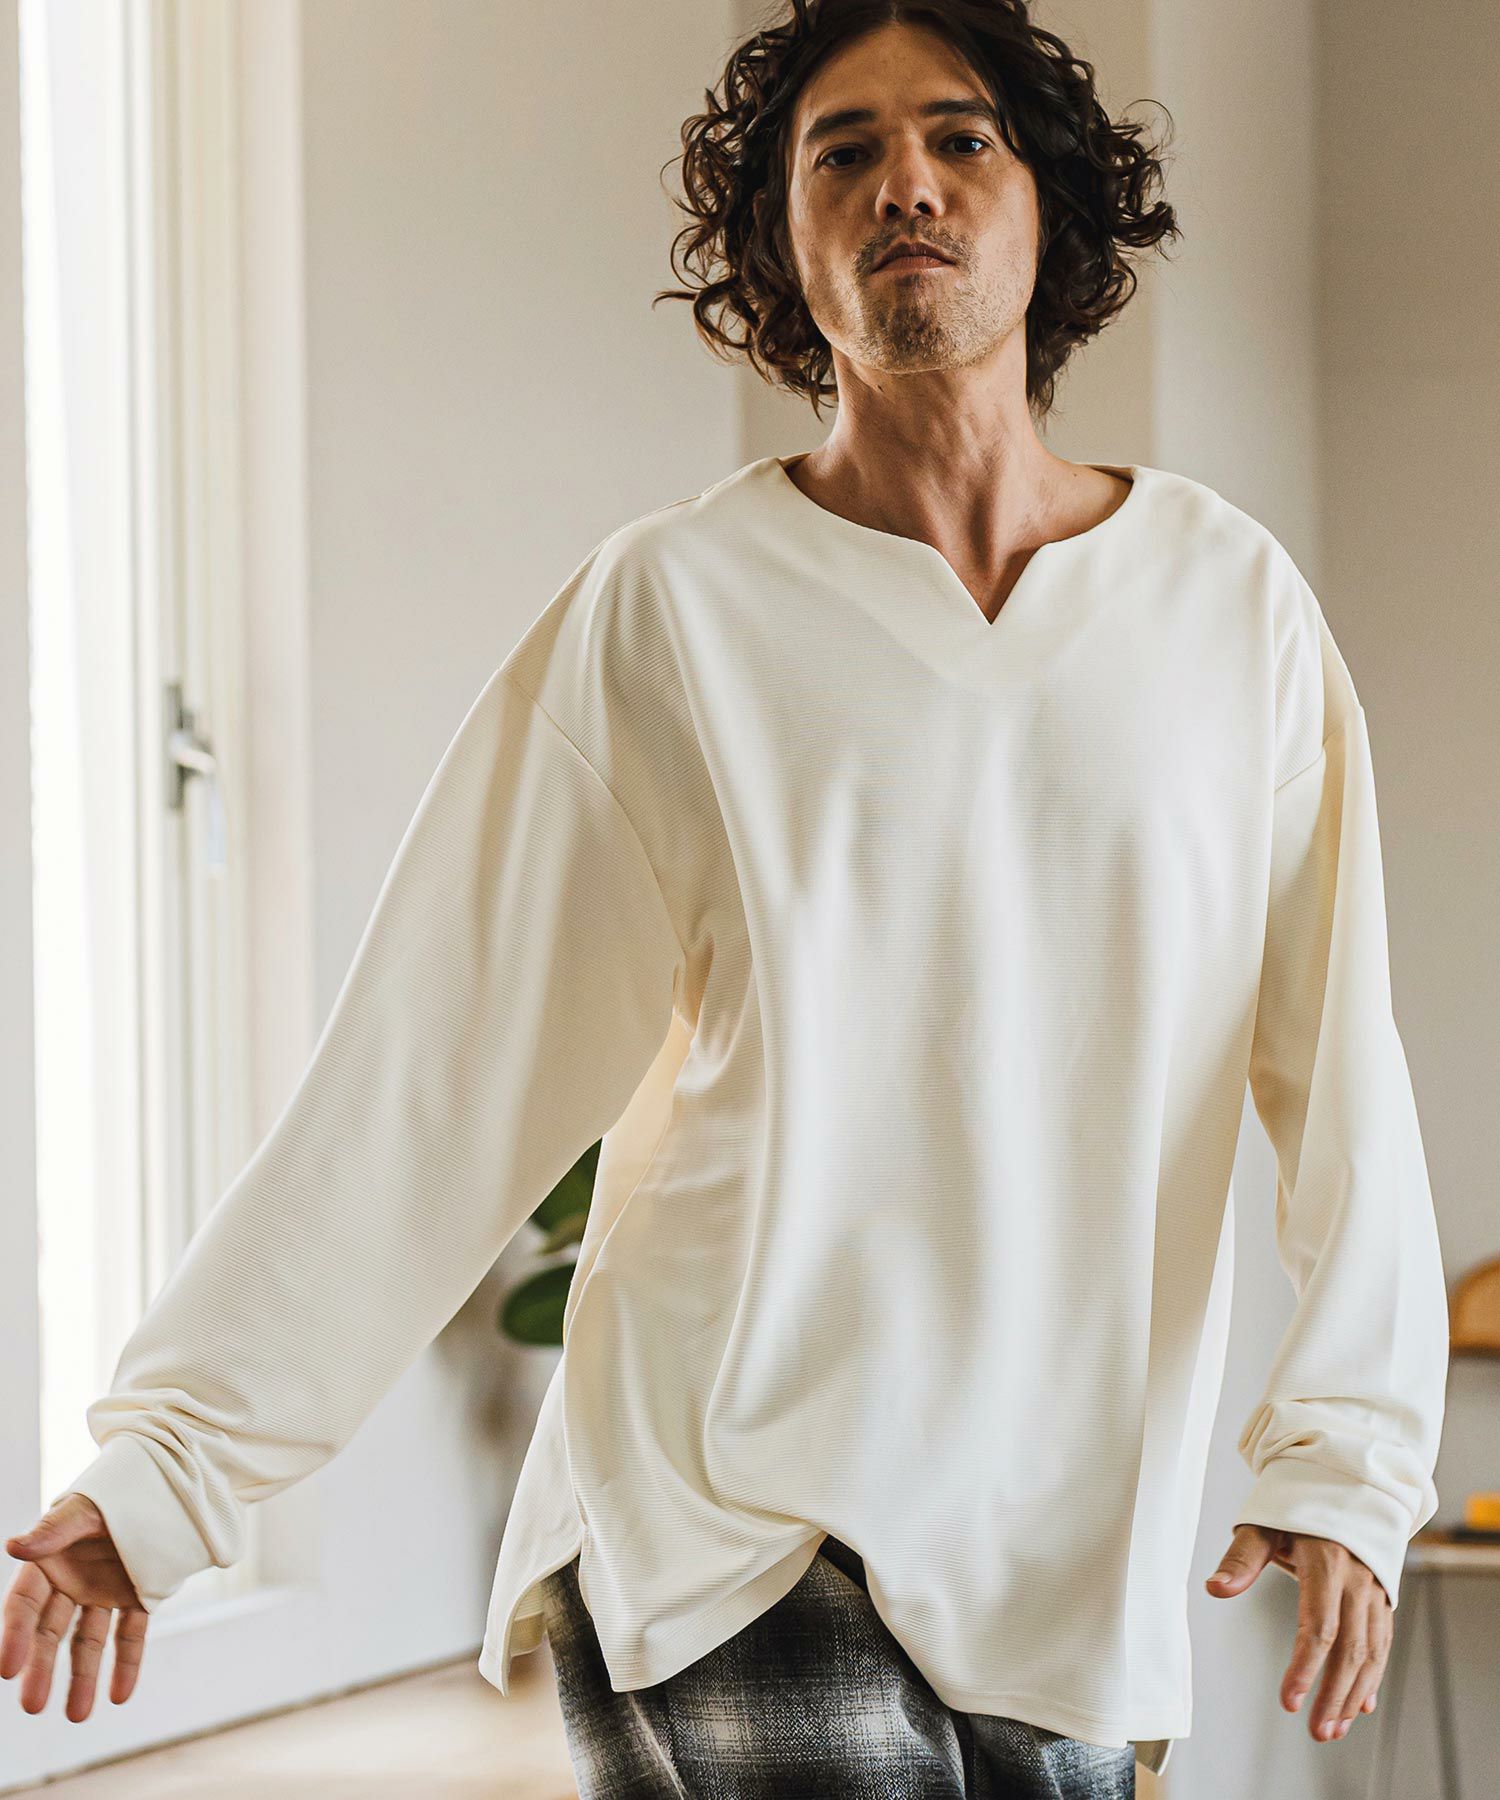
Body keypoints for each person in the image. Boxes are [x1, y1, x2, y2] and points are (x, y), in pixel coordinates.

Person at [4, 1, 1449, 1793]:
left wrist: (1351, 1459)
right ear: (782, 242)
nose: (905, 182)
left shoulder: (1231, 609)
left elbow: (1341, 1076)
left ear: (1052, 210)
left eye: (961, 138)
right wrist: (170, 1466)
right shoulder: (672, 613)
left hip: (1072, 1557)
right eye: (844, 152)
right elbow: (431, 1066)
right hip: (730, 1513)